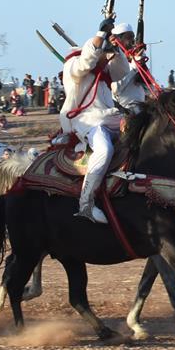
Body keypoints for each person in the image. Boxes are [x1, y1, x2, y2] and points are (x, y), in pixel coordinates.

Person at [59, 19, 133, 223]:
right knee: (104, 150)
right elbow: (86, 62)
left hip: (108, 116)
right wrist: (100, 34)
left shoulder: (103, 71)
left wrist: (116, 49)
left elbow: (122, 72)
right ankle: (86, 204)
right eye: (100, 51)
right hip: (85, 120)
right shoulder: (73, 66)